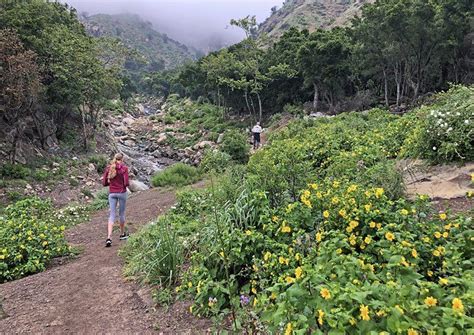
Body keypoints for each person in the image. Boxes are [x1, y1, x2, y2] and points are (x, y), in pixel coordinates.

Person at [102, 153, 130, 247]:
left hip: (112, 193)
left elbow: (104, 182)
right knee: (121, 214)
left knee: (112, 215)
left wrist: (112, 184)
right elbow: (126, 183)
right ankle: (122, 234)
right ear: (122, 159)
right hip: (121, 192)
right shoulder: (124, 169)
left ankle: (109, 237)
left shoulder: (109, 168)